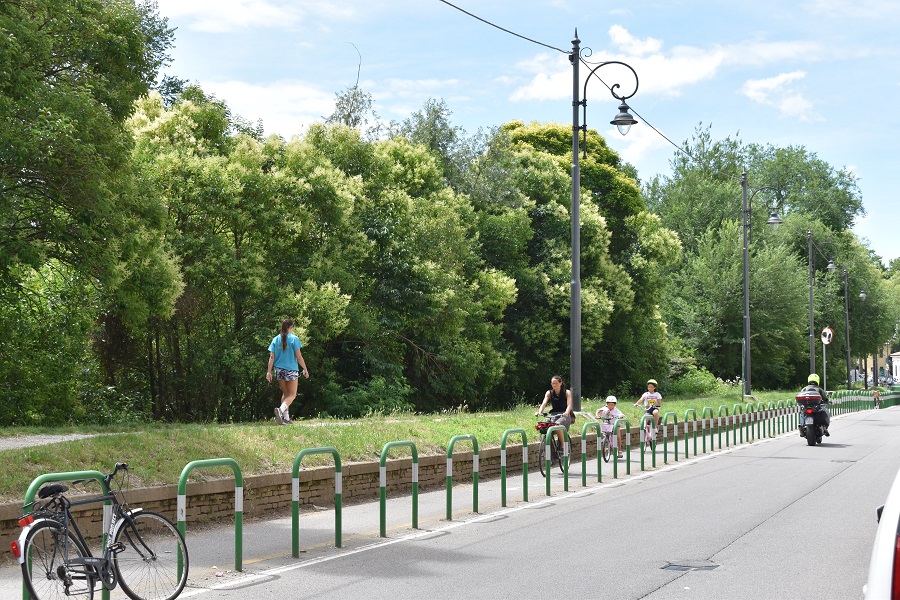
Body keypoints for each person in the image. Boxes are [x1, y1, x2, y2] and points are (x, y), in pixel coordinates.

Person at [266, 318, 309, 425]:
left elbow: (271, 357)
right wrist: (305, 369)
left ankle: (286, 419)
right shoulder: (294, 339)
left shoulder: (275, 339)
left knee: (285, 394)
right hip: (291, 370)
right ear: (291, 327)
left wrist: (268, 372)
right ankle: (280, 410)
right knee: (292, 395)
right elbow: (299, 356)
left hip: (278, 370)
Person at [535, 375, 574, 452]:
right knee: (545, 427)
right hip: (554, 415)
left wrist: (566, 412)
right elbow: (544, 403)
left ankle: (563, 446)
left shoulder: (567, 392)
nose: (554, 385)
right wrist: (539, 412)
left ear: (560, 383)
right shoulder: (549, 393)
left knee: (557, 424)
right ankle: (551, 452)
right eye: (552, 383)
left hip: (564, 415)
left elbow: (569, 404)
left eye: (555, 383)